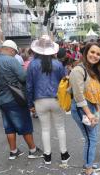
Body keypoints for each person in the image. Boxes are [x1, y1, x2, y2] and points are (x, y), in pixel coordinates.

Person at [0, 40, 43, 159]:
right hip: (15, 98)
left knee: (9, 127)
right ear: (11, 50)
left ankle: (13, 152)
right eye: (14, 53)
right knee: (25, 124)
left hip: (1, 99)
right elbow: (23, 78)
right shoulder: (11, 60)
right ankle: (33, 150)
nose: (15, 55)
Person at [26, 35, 70, 165]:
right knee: (60, 127)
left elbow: (29, 86)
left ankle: (47, 156)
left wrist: (30, 104)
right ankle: (64, 154)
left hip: (39, 100)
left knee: (45, 129)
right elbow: (64, 83)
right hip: (57, 99)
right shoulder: (58, 64)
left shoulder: (32, 65)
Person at [69, 42, 100, 175]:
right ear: (86, 53)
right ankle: (89, 172)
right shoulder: (78, 70)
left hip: (90, 108)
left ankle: (88, 164)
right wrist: (89, 114)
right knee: (92, 139)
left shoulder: (91, 69)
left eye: (98, 54)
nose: (95, 56)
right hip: (81, 109)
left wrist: (96, 109)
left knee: (91, 138)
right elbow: (79, 96)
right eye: (92, 52)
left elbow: (93, 91)